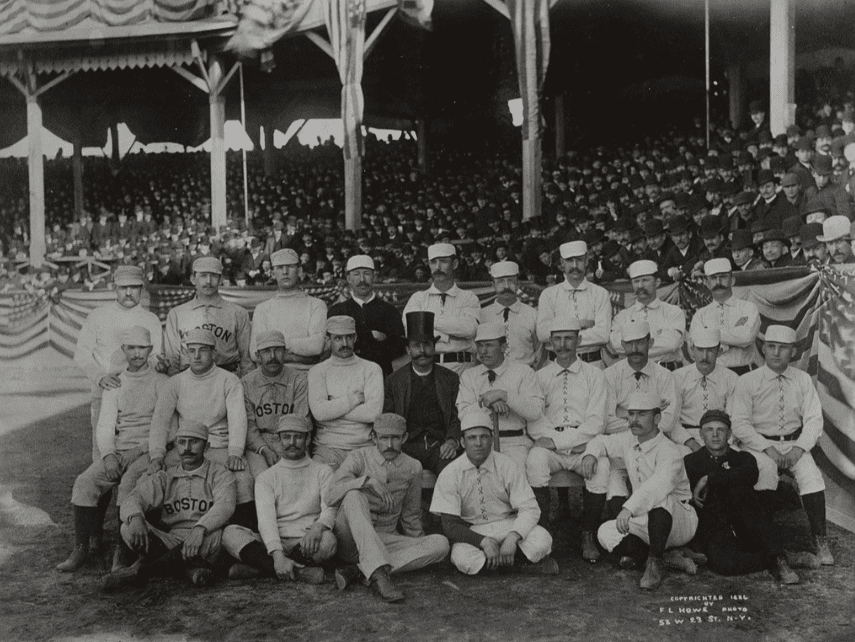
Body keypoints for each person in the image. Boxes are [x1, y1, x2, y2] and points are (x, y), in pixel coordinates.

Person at [58, 326, 168, 573]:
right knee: (85, 482)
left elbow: (167, 427)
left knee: (128, 483)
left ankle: (122, 549)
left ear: (150, 350)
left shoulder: (161, 382)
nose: (137, 353)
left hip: (149, 450)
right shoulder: (116, 383)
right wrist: (108, 456)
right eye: (131, 348)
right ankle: (81, 548)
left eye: (142, 348)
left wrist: (139, 451)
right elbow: (105, 425)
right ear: (124, 350)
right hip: (119, 449)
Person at [73, 265, 164, 554]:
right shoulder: (99, 315)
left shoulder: (150, 319)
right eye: (123, 287)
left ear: (141, 289)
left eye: (134, 287)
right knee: (103, 460)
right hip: (107, 391)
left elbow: (156, 355)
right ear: (114, 287)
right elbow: (81, 353)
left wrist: (161, 364)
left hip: (143, 391)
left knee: (134, 473)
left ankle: (123, 539)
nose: (128, 292)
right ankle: (94, 535)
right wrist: (100, 376)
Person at [729, 325, 835, 565]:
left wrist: (799, 448)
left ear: (793, 351)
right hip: (760, 445)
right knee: (765, 474)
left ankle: (820, 540)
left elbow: (814, 419)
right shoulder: (748, 381)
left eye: (783, 348)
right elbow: (740, 424)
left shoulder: (802, 380)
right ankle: (767, 543)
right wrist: (768, 449)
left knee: (812, 477)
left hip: (794, 444)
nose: (776, 353)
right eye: (772, 347)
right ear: (764, 349)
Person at [327, 413, 450, 603]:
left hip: (385, 540)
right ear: (373, 438)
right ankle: (376, 572)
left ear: (405, 438)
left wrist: (419, 547)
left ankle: (360, 570)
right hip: (351, 540)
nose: (390, 445)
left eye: (395, 438)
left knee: (441, 544)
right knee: (353, 495)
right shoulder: (358, 457)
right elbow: (330, 496)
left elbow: (411, 515)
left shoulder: (413, 467)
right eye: (384, 438)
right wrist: (365, 482)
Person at [583, 393, 699, 590]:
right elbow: (601, 441)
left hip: (679, 520)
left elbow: (657, 486)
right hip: (647, 519)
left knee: (660, 499)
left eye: (642, 414)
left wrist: (628, 508)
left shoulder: (669, 450)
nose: (634, 420)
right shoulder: (629, 440)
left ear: (657, 418)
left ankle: (654, 565)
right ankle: (666, 555)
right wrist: (591, 455)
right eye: (631, 414)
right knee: (606, 533)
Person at [102, 421, 236, 591]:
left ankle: (141, 573)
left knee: (218, 535)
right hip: (171, 539)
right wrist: (135, 517)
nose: (187, 448)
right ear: (176, 445)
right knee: (127, 528)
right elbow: (134, 498)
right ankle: (188, 570)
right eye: (182, 442)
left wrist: (200, 529)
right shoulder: (166, 476)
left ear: (207, 446)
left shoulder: (220, 474)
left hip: (205, 537)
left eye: (194, 442)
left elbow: (225, 506)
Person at [148, 328, 256, 528]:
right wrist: (156, 454)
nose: (196, 356)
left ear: (214, 353)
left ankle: (240, 535)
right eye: (192, 350)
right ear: (186, 353)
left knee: (243, 481)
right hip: (186, 448)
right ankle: (157, 535)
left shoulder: (229, 380)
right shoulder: (175, 382)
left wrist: (235, 452)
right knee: (154, 477)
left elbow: (237, 418)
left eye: (203, 350)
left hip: (219, 446)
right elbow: (160, 421)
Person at [431, 409, 558, 576]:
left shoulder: (506, 464)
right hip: (474, 529)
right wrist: (483, 542)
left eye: (484, 437)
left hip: (508, 524)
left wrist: (513, 538)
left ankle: (494, 565)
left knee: (542, 540)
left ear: (491, 439)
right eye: (472, 438)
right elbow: (450, 525)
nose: (478, 443)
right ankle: (518, 567)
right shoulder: (451, 472)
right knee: (461, 558)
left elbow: (530, 508)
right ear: (462, 442)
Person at [683, 409, 801, 584]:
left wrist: (709, 479)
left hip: (746, 523)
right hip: (715, 528)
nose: (715, 435)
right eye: (709, 430)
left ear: (729, 434)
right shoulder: (690, 461)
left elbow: (749, 475)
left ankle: (779, 559)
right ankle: (777, 556)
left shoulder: (743, 458)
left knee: (739, 489)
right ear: (701, 434)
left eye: (720, 430)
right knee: (726, 565)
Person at [526, 318, 609, 562]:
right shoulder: (539, 377)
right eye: (558, 339)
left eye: (569, 338)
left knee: (602, 466)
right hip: (551, 445)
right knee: (535, 460)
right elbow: (535, 419)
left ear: (579, 340)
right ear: (550, 342)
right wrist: (556, 442)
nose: (563, 344)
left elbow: (596, 421)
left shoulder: (595, 375)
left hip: (584, 444)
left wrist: (562, 442)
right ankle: (542, 534)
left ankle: (588, 534)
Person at [221, 415, 337, 585]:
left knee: (328, 541)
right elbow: (266, 521)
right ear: (278, 439)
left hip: (306, 539)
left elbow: (330, 508)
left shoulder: (323, 471)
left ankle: (261, 569)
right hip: (273, 540)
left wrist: (317, 528)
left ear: (308, 439)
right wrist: (277, 554)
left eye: (298, 437)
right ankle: (297, 571)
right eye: (286, 437)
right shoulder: (267, 477)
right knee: (229, 534)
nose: (292, 442)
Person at [674, 326, 779, 493]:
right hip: (687, 439)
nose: (705, 357)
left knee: (766, 465)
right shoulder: (677, 378)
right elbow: (671, 421)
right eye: (700, 350)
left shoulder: (731, 378)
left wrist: (723, 447)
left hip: (723, 440)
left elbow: (735, 419)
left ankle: (758, 508)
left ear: (719, 351)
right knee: (677, 463)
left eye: (710, 351)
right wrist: (692, 443)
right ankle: (687, 506)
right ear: (692, 350)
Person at [457, 322, 544, 472]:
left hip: (515, 444)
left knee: (516, 477)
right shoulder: (469, 376)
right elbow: (463, 414)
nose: (483, 351)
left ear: (504, 347)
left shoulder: (523, 372)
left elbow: (535, 411)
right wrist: (487, 402)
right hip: (479, 444)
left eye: (489, 345)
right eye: (480, 346)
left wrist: (505, 396)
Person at [384, 311, 461, 475]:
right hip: (406, 448)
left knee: (451, 474)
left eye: (426, 344)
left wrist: (452, 441)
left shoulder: (450, 379)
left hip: (440, 446)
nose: (422, 351)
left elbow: (457, 416)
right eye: (416, 346)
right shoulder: (395, 381)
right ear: (408, 349)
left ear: (434, 347)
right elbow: (389, 418)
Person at [308, 315, 384, 470]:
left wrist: (332, 405)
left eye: (349, 337)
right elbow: (319, 413)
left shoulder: (371, 369)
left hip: (364, 447)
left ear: (355, 337)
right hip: (327, 448)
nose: (344, 343)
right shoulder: (318, 371)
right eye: (338, 338)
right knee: (322, 481)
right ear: (328, 340)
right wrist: (353, 400)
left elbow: (373, 414)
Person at [163, 257, 253, 377]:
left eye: (214, 276)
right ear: (193, 279)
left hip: (226, 377)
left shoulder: (238, 313)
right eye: (203, 276)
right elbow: (172, 361)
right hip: (189, 378)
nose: (208, 281)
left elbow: (246, 360)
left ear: (221, 279)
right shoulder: (177, 314)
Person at [402, 243, 480, 375]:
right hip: (428, 368)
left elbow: (470, 329)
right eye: (433, 262)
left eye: (443, 261)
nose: (437, 267)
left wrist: (428, 321)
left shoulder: (469, 297)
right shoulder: (418, 298)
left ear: (454, 264)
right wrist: (454, 333)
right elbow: (414, 332)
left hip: (463, 368)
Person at [241, 330, 310, 478]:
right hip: (260, 442)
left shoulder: (298, 380)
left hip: (291, 440)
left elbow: (301, 421)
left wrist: (287, 448)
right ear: (257, 355)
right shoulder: (247, 382)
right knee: (262, 477)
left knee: (296, 476)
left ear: (285, 352)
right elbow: (249, 426)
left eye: (277, 350)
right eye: (266, 351)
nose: (272, 356)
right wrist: (264, 449)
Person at [250, 248, 327, 373]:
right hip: (272, 377)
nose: (285, 272)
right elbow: (255, 352)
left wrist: (274, 347)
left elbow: (316, 346)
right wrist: (300, 357)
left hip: (307, 376)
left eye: (290, 267)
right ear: (273, 273)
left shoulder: (316, 305)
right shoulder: (262, 309)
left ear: (299, 271)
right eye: (280, 268)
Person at [536, 240, 612, 367]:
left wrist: (560, 334)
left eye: (579, 260)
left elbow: (603, 334)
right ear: (562, 263)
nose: (575, 265)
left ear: (586, 260)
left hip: (592, 364)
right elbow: (542, 334)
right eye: (570, 261)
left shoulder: (600, 293)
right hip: (556, 365)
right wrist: (583, 325)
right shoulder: (548, 294)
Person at [328, 255, 405, 376]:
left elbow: (399, 347)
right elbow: (333, 347)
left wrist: (355, 339)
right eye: (356, 274)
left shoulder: (389, 311)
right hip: (345, 375)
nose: (362, 279)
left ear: (374, 276)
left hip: (380, 375)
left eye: (367, 274)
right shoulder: (337, 311)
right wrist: (371, 336)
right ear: (348, 278)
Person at [608, 260, 685, 370]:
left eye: (645, 280)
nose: (640, 285)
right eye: (636, 281)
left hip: (668, 372)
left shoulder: (673, 312)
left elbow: (672, 343)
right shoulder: (622, 317)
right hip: (634, 374)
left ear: (657, 282)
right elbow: (616, 345)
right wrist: (657, 339)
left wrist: (632, 344)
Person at [690, 258, 761, 375]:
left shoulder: (748, 308)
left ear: (732, 280)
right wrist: (734, 336)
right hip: (713, 373)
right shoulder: (701, 314)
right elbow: (698, 344)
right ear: (707, 283)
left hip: (743, 372)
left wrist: (710, 333)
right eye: (713, 278)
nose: (718, 282)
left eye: (723, 277)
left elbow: (746, 338)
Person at [479, 260, 543, 369]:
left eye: (511, 281)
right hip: (492, 375)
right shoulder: (482, 316)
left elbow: (540, 351)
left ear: (518, 284)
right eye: (500, 282)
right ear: (493, 285)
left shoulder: (532, 314)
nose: (506, 286)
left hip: (525, 374)